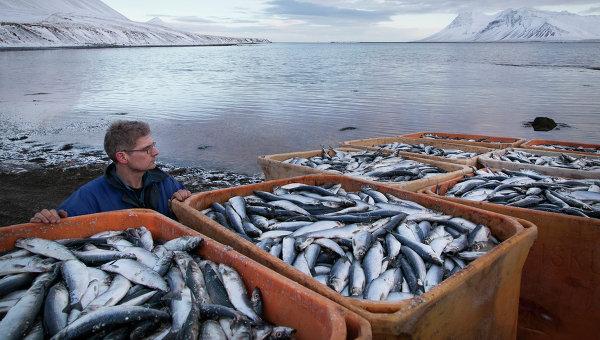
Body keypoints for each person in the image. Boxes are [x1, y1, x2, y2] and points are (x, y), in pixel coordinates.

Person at [30, 120, 191, 223]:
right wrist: (48, 219)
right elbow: (60, 222)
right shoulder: (90, 197)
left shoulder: (165, 182)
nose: (156, 152)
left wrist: (184, 200)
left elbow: (189, 212)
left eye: (153, 145)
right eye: (147, 149)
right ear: (122, 156)